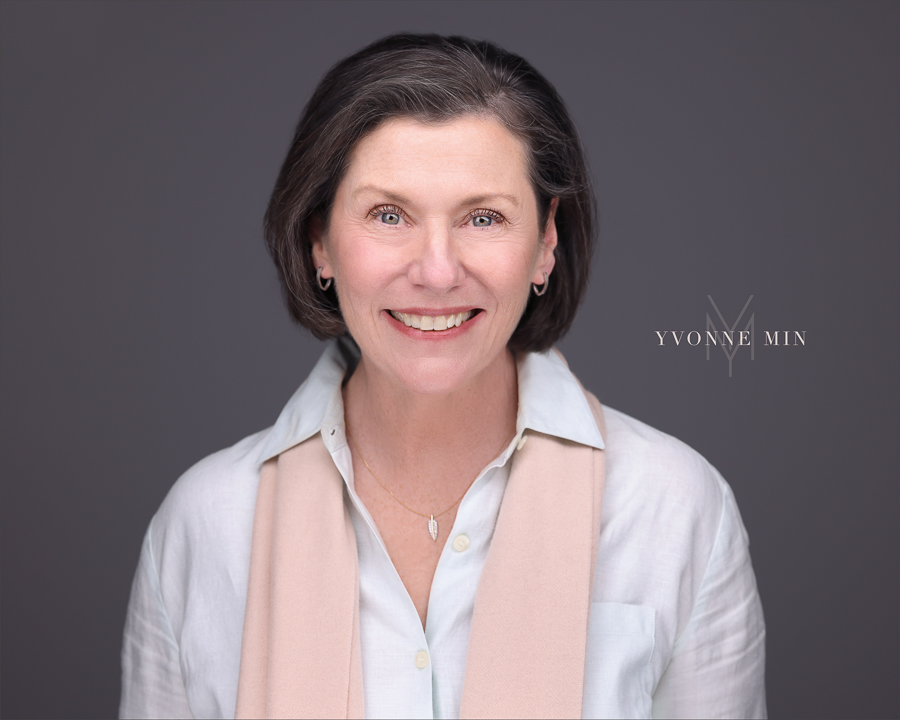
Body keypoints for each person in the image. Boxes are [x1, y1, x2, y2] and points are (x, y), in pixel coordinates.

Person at [119, 34, 766, 719]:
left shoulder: (672, 509)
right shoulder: (206, 524)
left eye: (483, 217)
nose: (436, 270)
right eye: (388, 215)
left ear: (546, 242)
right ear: (318, 241)